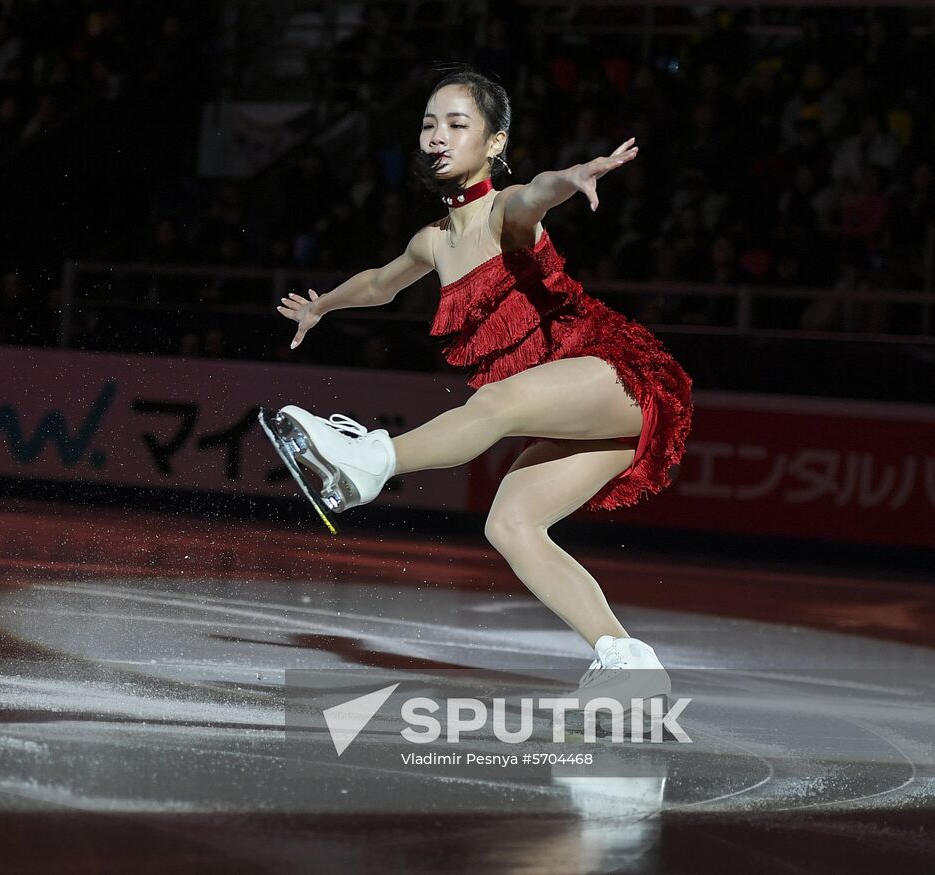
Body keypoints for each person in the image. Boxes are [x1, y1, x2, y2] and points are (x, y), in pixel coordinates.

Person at [272, 65, 693, 712]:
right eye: (428, 124)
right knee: (511, 522)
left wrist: (571, 177)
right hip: (574, 404)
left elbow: (536, 195)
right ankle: (626, 660)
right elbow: (381, 284)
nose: (437, 136)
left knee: (493, 405)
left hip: (620, 371)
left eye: (457, 124)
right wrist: (321, 306)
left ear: (494, 142)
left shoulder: (504, 208)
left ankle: (369, 461)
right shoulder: (434, 241)